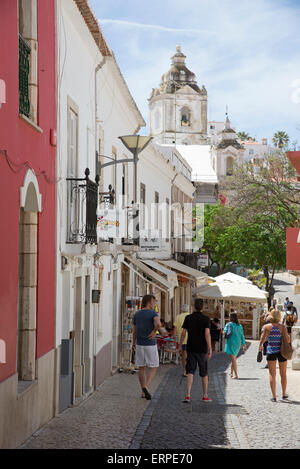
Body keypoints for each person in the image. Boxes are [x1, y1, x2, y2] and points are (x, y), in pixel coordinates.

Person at [132, 294, 167, 400]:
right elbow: (158, 324)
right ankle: (146, 387)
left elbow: (134, 331)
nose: (154, 304)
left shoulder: (136, 314)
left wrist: (134, 343)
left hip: (139, 344)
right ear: (149, 302)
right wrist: (153, 331)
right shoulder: (153, 313)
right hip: (150, 344)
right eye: (154, 302)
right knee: (153, 367)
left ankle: (143, 391)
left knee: (141, 368)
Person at [179, 298, 212, 403]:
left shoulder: (188, 318)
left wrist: (180, 344)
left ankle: (188, 395)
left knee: (190, 371)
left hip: (191, 348)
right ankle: (205, 395)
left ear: (194, 306)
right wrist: (210, 348)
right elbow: (207, 334)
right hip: (202, 349)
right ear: (203, 307)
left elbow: (183, 333)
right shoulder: (206, 319)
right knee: (204, 372)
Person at [259, 309, 290, 402]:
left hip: (271, 350)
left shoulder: (267, 327)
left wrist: (260, 346)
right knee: (283, 373)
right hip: (282, 352)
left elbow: (262, 339)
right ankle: (284, 394)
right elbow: (288, 340)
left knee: (272, 374)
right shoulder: (283, 327)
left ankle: (274, 396)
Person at [223, 312, 247, 379]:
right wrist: (244, 344)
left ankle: (236, 375)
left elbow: (224, 332)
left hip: (231, 343)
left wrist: (222, 331)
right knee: (233, 358)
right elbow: (242, 336)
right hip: (237, 344)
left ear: (231, 318)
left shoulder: (228, 324)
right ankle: (231, 373)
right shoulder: (240, 326)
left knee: (233, 359)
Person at [173, 304, 190, 377]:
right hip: (190, 339)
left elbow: (175, 329)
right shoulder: (190, 316)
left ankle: (185, 370)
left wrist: (175, 339)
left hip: (181, 340)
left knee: (184, 356)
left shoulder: (178, 317)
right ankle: (189, 370)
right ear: (188, 309)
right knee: (189, 355)